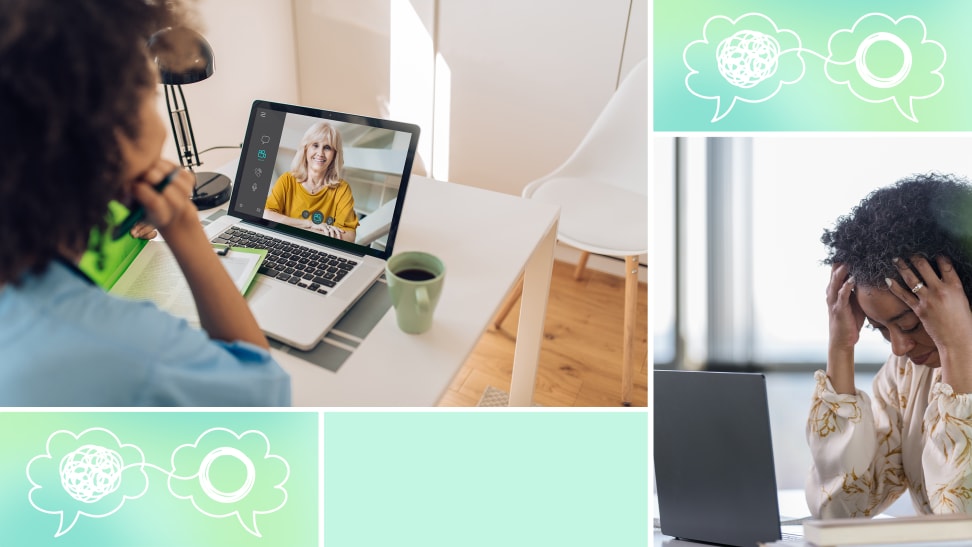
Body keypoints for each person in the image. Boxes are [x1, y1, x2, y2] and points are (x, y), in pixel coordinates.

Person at [0, 0, 290, 406]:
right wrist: (186, 228)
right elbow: (264, 401)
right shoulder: (138, 354)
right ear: (110, 136)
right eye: (150, 93)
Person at [809, 172, 972, 517]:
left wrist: (958, 351)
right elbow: (838, 510)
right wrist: (841, 348)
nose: (898, 348)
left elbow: (962, 518)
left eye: (910, 324)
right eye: (880, 329)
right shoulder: (906, 374)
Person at [263, 121, 359, 242]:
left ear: (335, 155)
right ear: (306, 148)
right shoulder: (287, 180)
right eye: (315, 145)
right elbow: (266, 215)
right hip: (285, 244)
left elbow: (349, 237)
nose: (320, 153)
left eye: (327, 147)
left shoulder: (342, 189)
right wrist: (309, 224)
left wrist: (297, 228)